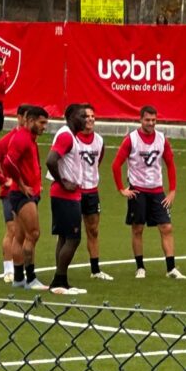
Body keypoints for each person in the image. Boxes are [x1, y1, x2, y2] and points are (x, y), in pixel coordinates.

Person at [111, 105, 186, 280]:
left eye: (154, 120)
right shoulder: (131, 139)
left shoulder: (162, 139)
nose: (151, 123)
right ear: (140, 120)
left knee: (166, 227)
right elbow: (116, 164)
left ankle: (171, 268)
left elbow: (170, 164)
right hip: (138, 191)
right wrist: (122, 189)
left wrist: (172, 190)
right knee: (137, 229)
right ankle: (140, 267)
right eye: (147, 120)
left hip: (157, 191)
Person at [2, 106, 50, 290]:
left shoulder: (29, 138)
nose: (44, 127)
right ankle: (31, 279)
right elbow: (8, 162)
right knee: (34, 234)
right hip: (22, 195)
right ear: (30, 121)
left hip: (24, 193)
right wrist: (22, 185)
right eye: (42, 122)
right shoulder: (22, 138)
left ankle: (18, 278)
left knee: (20, 236)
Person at [0, 104, 33, 283]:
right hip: (10, 192)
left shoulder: (30, 139)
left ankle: (21, 269)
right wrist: (4, 181)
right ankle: (8, 269)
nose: (30, 122)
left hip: (27, 193)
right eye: (27, 118)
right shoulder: (10, 139)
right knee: (12, 230)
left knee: (26, 232)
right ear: (19, 118)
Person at [45, 104, 89, 295]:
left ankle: (60, 280)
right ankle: (59, 280)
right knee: (73, 238)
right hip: (65, 194)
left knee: (64, 237)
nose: (85, 119)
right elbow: (51, 160)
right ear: (70, 116)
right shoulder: (66, 136)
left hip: (66, 193)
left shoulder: (71, 137)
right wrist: (62, 182)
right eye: (82, 116)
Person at [72, 104, 111, 280]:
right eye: (86, 116)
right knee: (69, 232)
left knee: (93, 230)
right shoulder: (72, 139)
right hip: (73, 192)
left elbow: (98, 161)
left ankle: (95, 270)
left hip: (92, 192)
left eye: (92, 116)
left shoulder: (100, 141)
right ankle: (62, 268)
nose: (90, 119)